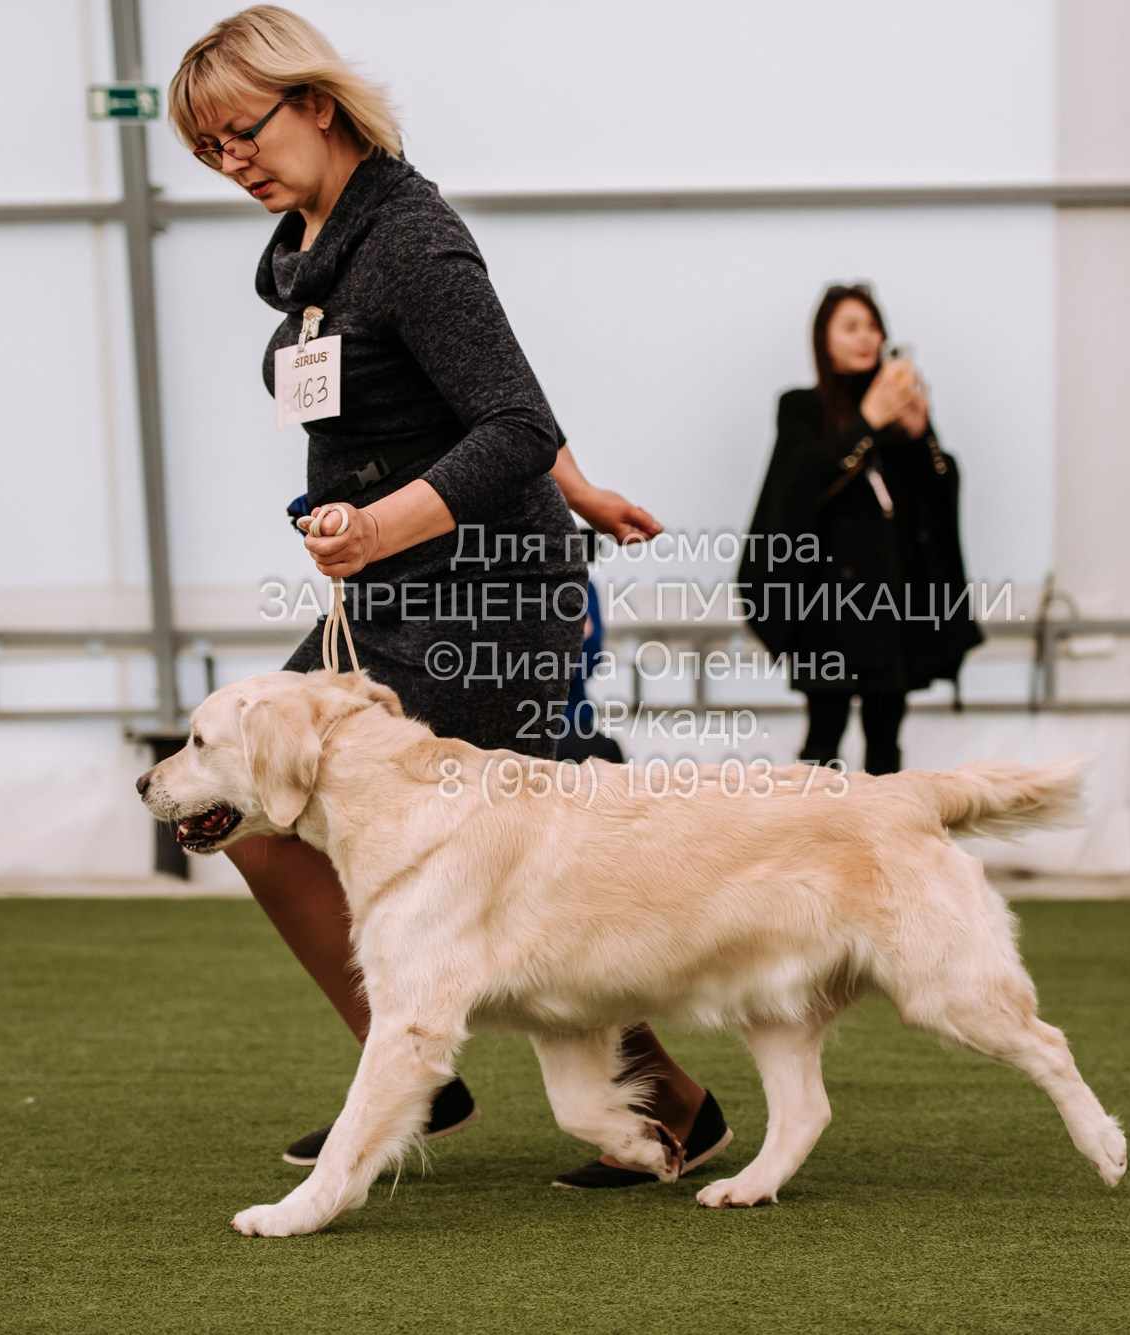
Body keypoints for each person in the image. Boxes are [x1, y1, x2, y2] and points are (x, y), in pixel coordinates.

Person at [167, 6, 727, 1189]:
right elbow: (489, 391)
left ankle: (665, 1108)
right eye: (210, 151)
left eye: (242, 132)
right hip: (381, 593)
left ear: (315, 101)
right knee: (250, 814)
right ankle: (417, 1066)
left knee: (527, 871)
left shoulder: (409, 239)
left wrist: (387, 522)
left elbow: (508, 422)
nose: (233, 164)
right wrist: (576, 484)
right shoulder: (309, 247)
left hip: (487, 604)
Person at [739, 284, 981, 775]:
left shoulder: (898, 412)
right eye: (850, 327)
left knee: (886, 742)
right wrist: (868, 419)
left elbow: (938, 493)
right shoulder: (803, 407)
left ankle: (884, 848)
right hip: (825, 607)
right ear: (823, 339)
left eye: (873, 326)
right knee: (822, 739)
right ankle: (812, 848)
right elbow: (801, 482)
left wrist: (922, 433)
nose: (865, 338)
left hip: (891, 605)